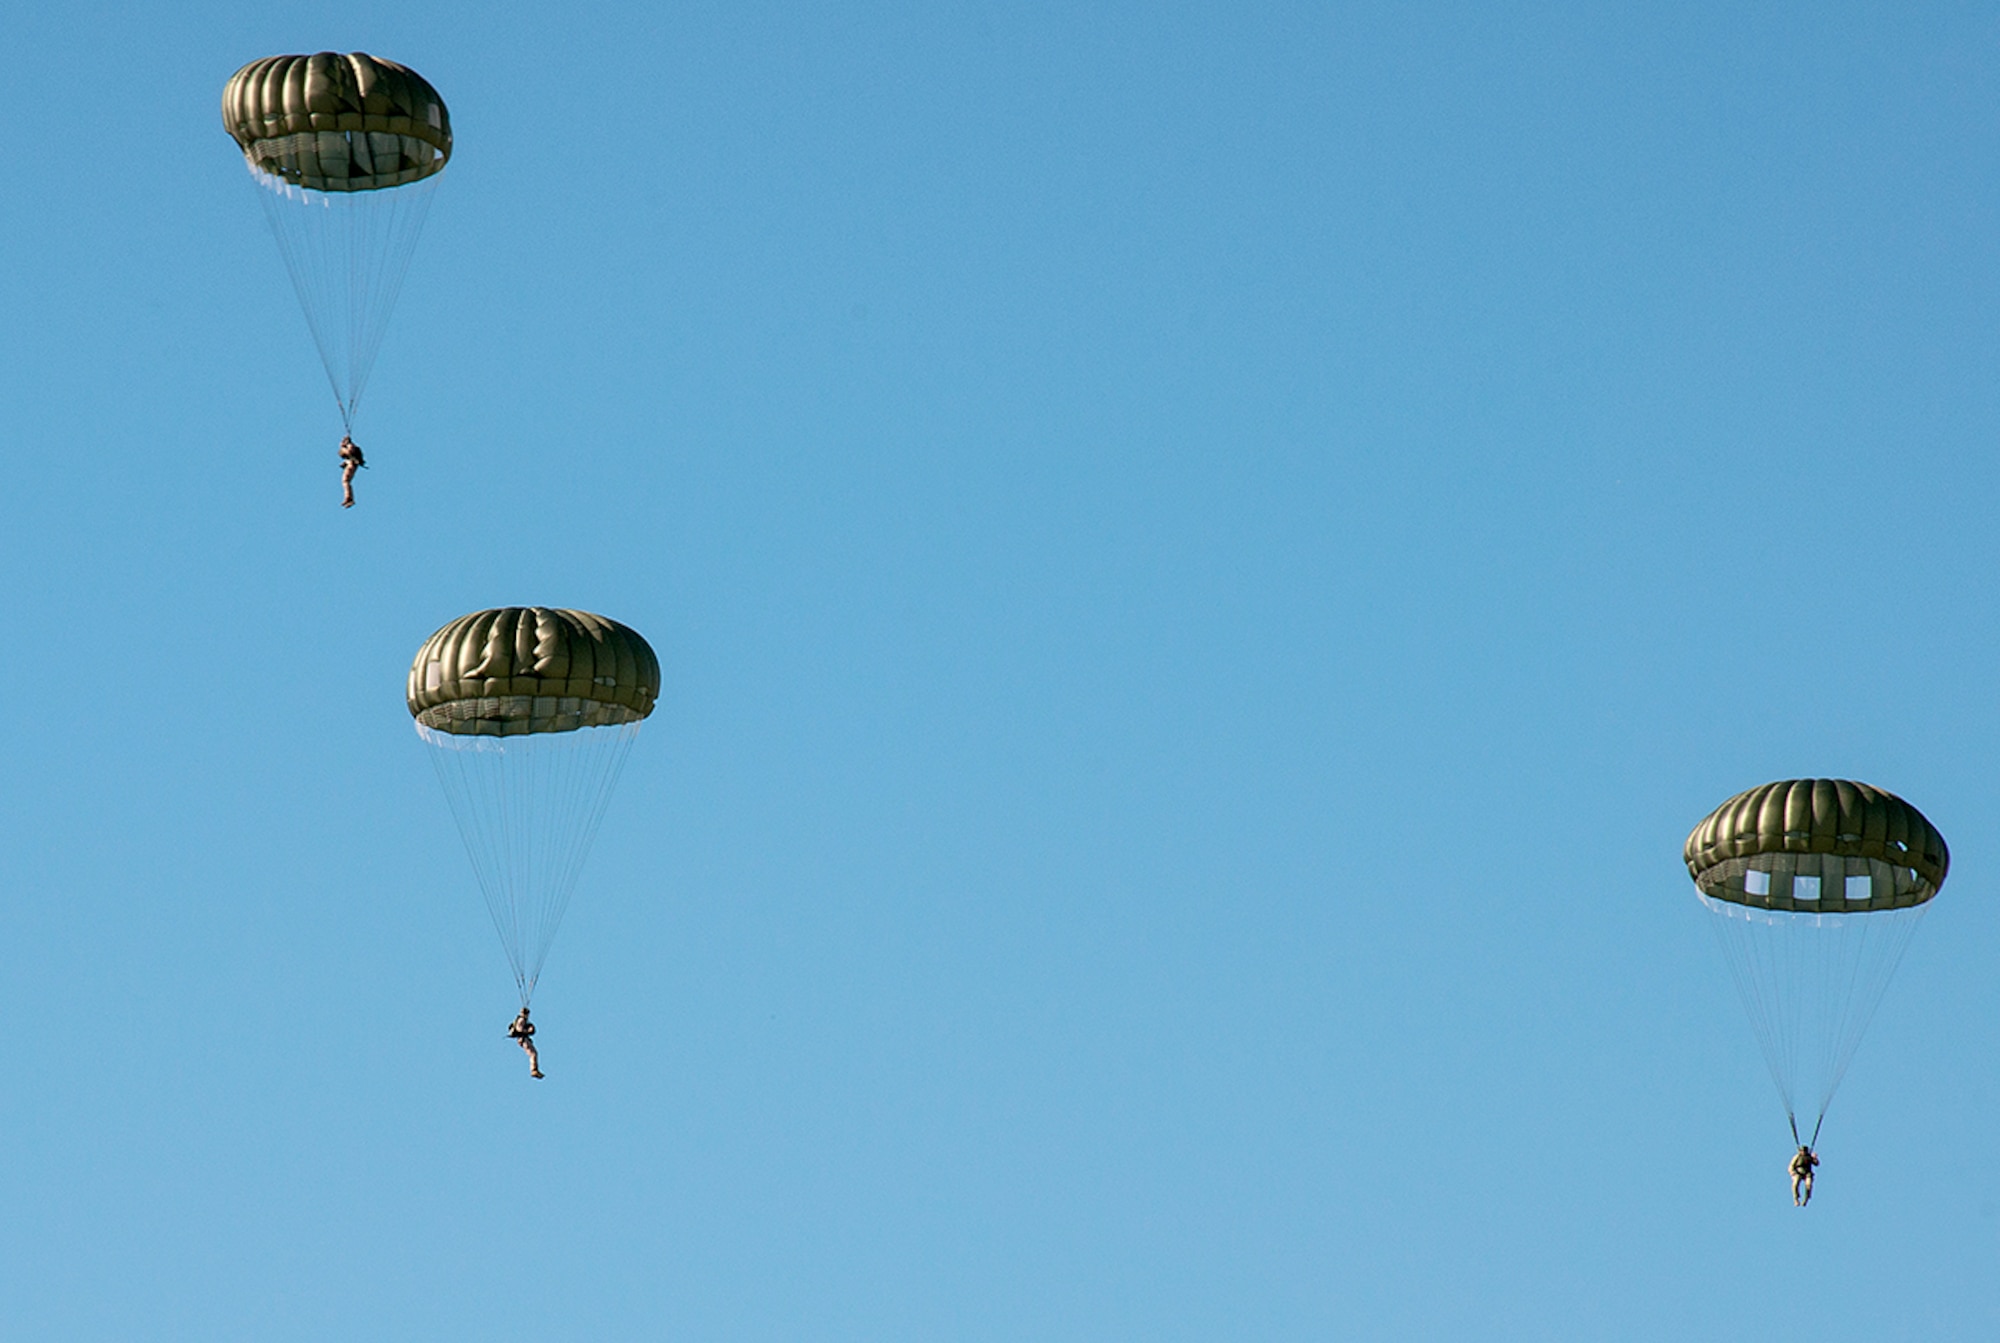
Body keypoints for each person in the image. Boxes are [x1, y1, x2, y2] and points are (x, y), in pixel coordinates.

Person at [507, 1006, 543, 1079]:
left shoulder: (521, 1019)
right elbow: (519, 1029)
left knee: (533, 1053)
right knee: (533, 1053)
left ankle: (534, 1070)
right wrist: (528, 1031)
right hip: (523, 1039)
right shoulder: (521, 1019)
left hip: (522, 1039)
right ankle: (534, 1070)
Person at [338, 435, 366, 509]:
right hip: (351, 464)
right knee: (345, 481)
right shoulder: (349, 447)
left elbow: (350, 454)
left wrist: (344, 447)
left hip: (351, 465)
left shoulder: (350, 446)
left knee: (345, 481)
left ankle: (349, 498)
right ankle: (348, 498)